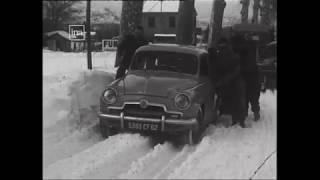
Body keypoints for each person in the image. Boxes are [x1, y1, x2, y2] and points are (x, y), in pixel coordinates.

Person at [209, 38, 247, 127]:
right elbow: (215, 68)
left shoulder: (232, 55)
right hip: (227, 80)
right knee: (234, 100)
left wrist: (224, 80)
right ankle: (236, 119)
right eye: (221, 46)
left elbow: (236, 70)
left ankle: (239, 120)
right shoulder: (219, 56)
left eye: (223, 46)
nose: (222, 48)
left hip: (235, 80)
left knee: (239, 99)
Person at [231, 33, 261, 121]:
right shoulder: (252, 46)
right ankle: (256, 112)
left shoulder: (239, 49)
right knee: (253, 96)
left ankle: (245, 113)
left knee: (245, 95)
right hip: (253, 75)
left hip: (243, 74)